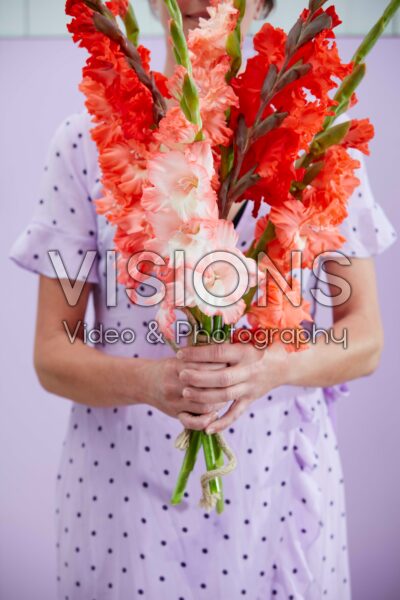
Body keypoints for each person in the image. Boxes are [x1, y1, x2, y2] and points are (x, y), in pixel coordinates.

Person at [9, 1, 398, 599]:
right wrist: (154, 383)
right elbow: (51, 352)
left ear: (262, 4)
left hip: (276, 498)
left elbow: (365, 336)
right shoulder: (84, 143)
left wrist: (272, 367)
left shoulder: (311, 137)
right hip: (122, 506)